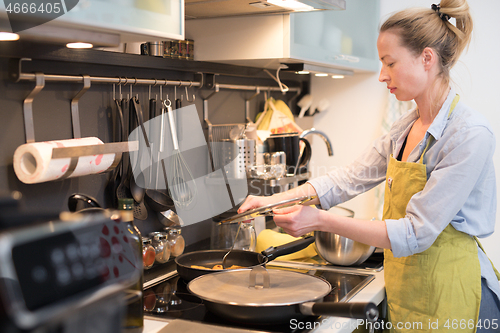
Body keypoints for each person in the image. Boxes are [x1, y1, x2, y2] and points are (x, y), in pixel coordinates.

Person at [238, 1, 500, 331]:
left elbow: (415, 233)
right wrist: (272, 202)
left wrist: (320, 220)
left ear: (427, 59)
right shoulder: (406, 127)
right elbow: (348, 179)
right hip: (410, 290)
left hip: (457, 296)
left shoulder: (469, 135)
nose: (381, 75)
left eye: (390, 63)